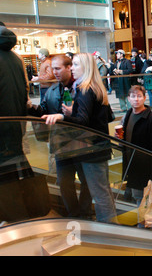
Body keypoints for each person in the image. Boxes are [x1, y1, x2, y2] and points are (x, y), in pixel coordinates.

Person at [42, 53, 117, 223]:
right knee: (103, 192)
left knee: (100, 194)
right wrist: (72, 112)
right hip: (99, 147)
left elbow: (82, 121)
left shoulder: (84, 89)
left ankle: (111, 231)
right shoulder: (96, 87)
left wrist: (63, 117)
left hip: (91, 148)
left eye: (75, 64)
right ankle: (112, 227)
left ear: (86, 67)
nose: (72, 68)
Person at [29, 55, 93, 219]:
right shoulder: (52, 90)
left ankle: (84, 213)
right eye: (52, 69)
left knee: (87, 181)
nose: (54, 72)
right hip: (61, 144)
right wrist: (31, 107)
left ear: (69, 67)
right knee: (65, 183)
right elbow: (44, 110)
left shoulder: (82, 88)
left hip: (81, 143)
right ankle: (74, 214)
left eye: (57, 68)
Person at [0, 25, 40, 222]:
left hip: (2, 128)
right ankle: (19, 215)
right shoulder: (16, 59)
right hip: (16, 124)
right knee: (12, 172)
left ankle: (11, 218)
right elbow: (25, 91)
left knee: (4, 176)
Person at [117, 85, 152, 206]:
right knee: (137, 198)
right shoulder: (128, 115)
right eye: (133, 96)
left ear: (144, 98)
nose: (136, 99)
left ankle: (143, 224)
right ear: (128, 98)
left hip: (145, 169)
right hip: (131, 165)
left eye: (139, 96)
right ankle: (142, 223)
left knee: (143, 200)